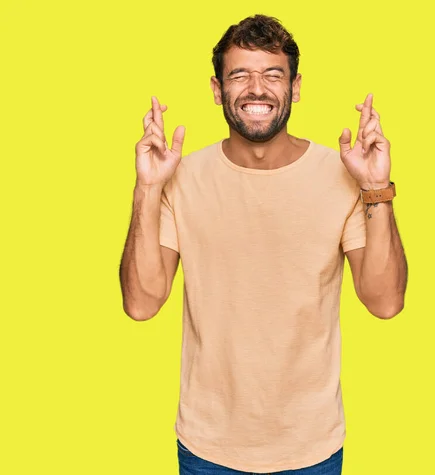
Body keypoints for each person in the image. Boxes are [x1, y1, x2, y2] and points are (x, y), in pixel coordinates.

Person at [119, 14, 408, 475]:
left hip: (311, 448)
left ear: (294, 88)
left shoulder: (343, 175)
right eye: (240, 75)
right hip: (206, 448)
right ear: (217, 90)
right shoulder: (181, 178)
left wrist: (376, 186)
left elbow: (385, 301)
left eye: (273, 74)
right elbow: (141, 303)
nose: (257, 89)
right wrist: (147, 188)